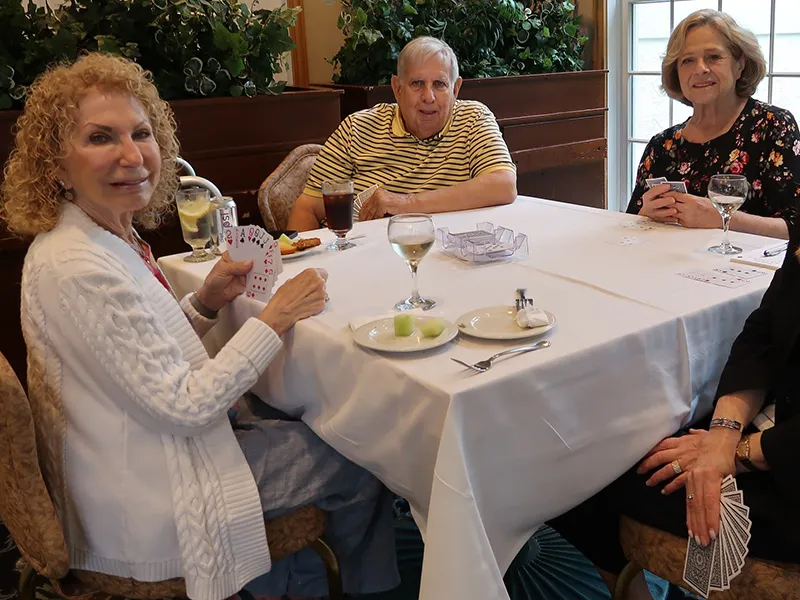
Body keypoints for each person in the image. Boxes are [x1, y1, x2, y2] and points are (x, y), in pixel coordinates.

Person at [0, 53, 398, 600]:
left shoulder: (98, 240)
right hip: (146, 497)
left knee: (297, 411)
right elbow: (184, 406)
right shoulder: (76, 267)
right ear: (55, 164)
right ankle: (364, 590)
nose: (131, 155)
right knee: (362, 449)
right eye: (100, 138)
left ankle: (288, 580)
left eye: (141, 133)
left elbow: (136, 357)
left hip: (132, 450)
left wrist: (206, 303)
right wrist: (276, 317)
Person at [547, 234, 800, 598]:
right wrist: (722, 435)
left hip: (787, 472)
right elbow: (763, 332)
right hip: (774, 421)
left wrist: (742, 452)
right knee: (597, 441)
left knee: (589, 474)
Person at [287, 36, 517, 231]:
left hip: (449, 260)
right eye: (417, 83)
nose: (429, 96)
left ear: (455, 89)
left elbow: (503, 184)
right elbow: (308, 207)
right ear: (397, 88)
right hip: (364, 263)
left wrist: (405, 203)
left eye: (439, 84)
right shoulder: (356, 129)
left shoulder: (473, 119)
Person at [628, 10, 800, 239]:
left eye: (713, 57)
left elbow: (795, 228)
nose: (700, 69)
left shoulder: (774, 126)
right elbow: (630, 229)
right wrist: (644, 216)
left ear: (740, 63)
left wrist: (721, 218)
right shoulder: (660, 146)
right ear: (676, 72)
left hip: (755, 273)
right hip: (669, 270)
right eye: (687, 60)